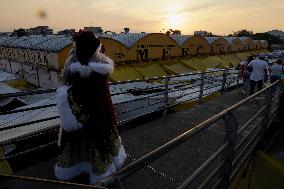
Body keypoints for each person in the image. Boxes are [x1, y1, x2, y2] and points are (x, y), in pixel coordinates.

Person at [55, 31, 127, 184]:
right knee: (98, 144)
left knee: (79, 146)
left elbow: (70, 92)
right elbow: (103, 98)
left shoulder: (73, 71)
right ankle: (100, 174)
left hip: (78, 116)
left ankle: (79, 172)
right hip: (99, 117)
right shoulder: (100, 70)